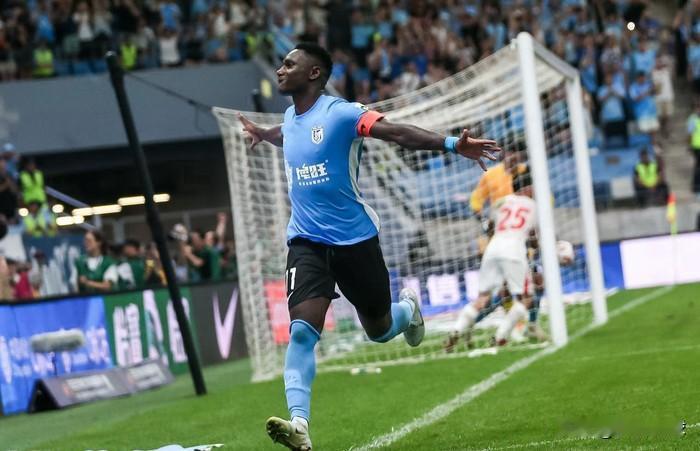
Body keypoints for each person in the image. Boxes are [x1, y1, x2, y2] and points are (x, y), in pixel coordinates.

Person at [238, 42, 500, 451]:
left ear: (314, 73)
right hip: (306, 242)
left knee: (378, 330)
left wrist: (452, 144)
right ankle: (299, 423)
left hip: (355, 242)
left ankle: (407, 310)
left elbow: (395, 132)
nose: (280, 69)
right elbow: (286, 134)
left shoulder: (341, 113)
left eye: (289, 64)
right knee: (302, 331)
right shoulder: (289, 118)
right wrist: (262, 133)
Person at [447, 170, 536, 350]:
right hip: (514, 249)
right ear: (528, 188)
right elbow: (533, 236)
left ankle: (457, 329)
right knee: (526, 298)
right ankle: (501, 337)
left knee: (482, 297)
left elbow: (490, 227)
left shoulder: (501, 202)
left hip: (493, 248)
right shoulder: (533, 206)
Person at [688, 99, 700, 196]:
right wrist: (690, 146)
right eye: (697, 107)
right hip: (697, 146)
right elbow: (690, 134)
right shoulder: (692, 119)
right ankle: (696, 187)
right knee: (697, 167)